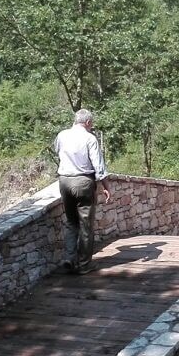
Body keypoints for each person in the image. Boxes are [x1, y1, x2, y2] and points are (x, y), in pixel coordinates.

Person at [53, 108, 111, 274]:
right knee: (86, 225)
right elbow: (98, 167)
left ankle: (68, 258)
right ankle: (84, 265)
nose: (91, 126)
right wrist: (106, 187)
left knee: (72, 222)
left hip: (64, 181)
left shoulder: (62, 135)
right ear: (87, 122)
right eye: (91, 124)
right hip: (83, 182)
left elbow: (59, 152)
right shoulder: (89, 138)